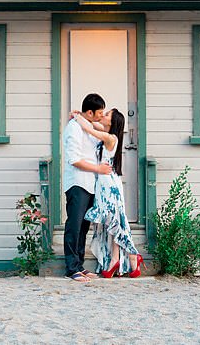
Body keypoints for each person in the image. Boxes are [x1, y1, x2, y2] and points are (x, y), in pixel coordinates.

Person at [74, 108, 144, 278]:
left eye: (106, 115)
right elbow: (93, 124)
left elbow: (89, 128)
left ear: (112, 123)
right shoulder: (106, 132)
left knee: (115, 219)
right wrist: (83, 116)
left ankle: (130, 255)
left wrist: (77, 117)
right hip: (103, 183)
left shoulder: (111, 137)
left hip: (109, 184)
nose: (102, 116)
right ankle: (116, 258)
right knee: (111, 220)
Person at [63, 93, 113, 282]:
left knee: (83, 227)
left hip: (89, 183)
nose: (101, 116)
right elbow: (74, 159)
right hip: (77, 182)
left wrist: (79, 116)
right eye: (99, 112)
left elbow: (102, 131)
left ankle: (79, 265)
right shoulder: (74, 128)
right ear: (90, 112)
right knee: (74, 226)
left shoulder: (87, 126)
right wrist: (98, 169)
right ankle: (71, 268)